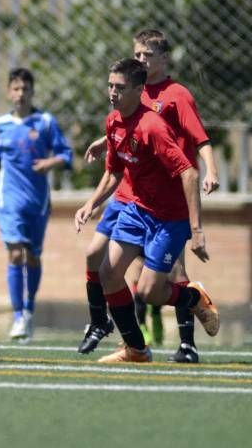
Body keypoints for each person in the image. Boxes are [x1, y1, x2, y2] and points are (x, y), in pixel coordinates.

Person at [78, 30, 220, 363]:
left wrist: (197, 230)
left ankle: (191, 307)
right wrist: (90, 204)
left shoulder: (166, 107)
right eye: (110, 86)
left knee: (151, 290)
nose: (112, 93)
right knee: (107, 270)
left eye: (119, 87)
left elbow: (191, 167)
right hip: (134, 204)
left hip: (169, 212)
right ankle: (135, 347)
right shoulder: (116, 118)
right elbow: (114, 168)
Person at [0, 68, 72, 341]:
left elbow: (65, 154)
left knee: (33, 256)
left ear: (32, 92)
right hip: (9, 199)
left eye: (25, 89)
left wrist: (50, 162)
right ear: (8, 92)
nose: (20, 94)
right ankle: (17, 316)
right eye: (15, 89)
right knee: (15, 254)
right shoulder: (0, 123)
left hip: (36, 201)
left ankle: (28, 309)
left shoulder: (45, 122)